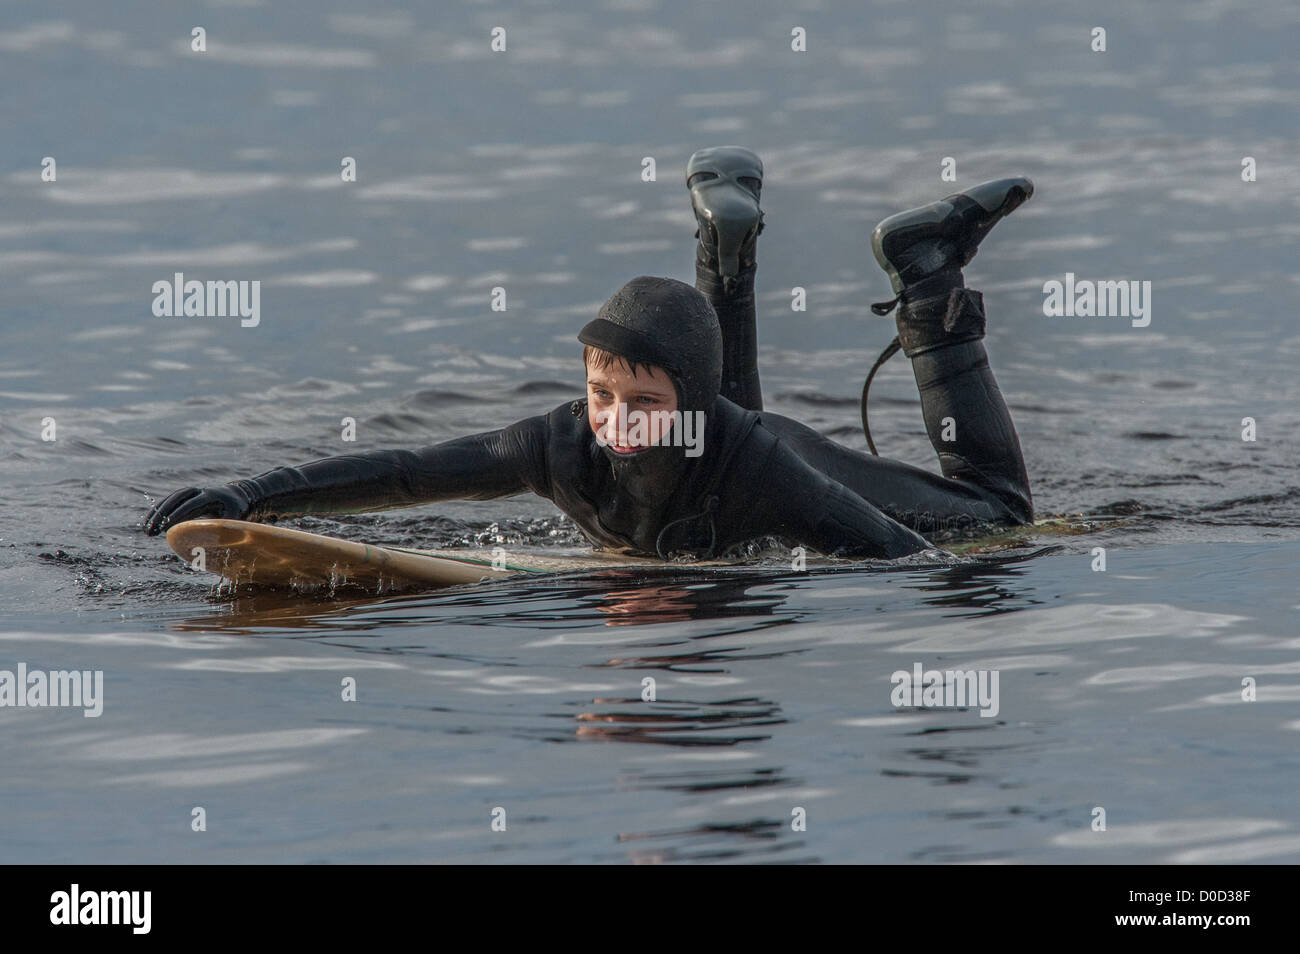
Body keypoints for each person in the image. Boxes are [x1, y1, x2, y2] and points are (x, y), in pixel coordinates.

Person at [144, 146, 1033, 561]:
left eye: (640, 404)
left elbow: (899, 555)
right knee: (716, 422)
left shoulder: (761, 464)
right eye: (601, 394)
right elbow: (410, 472)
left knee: (998, 520)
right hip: (721, 452)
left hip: (780, 468)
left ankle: (925, 276)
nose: (610, 420)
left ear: (687, 401)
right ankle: (728, 243)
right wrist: (254, 492)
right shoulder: (558, 442)